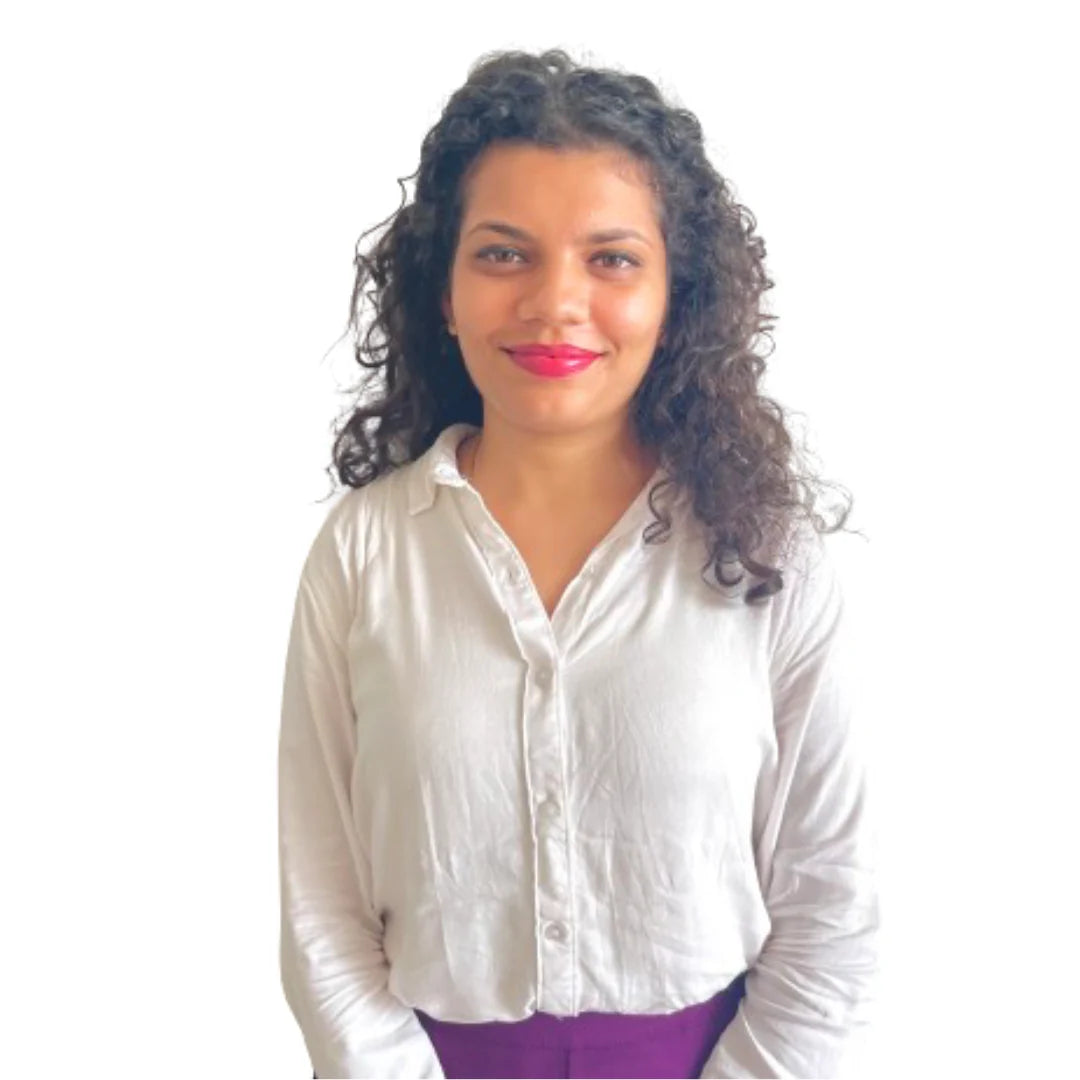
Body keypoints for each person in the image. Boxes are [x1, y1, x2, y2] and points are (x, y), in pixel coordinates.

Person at [278, 47, 880, 1079]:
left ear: (675, 294)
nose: (556, 302)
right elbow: (320, 902)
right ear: (443, 291)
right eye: (503, 253)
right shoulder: (365, 551)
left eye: (611, 259)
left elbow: (833, 901)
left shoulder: (767, 553)